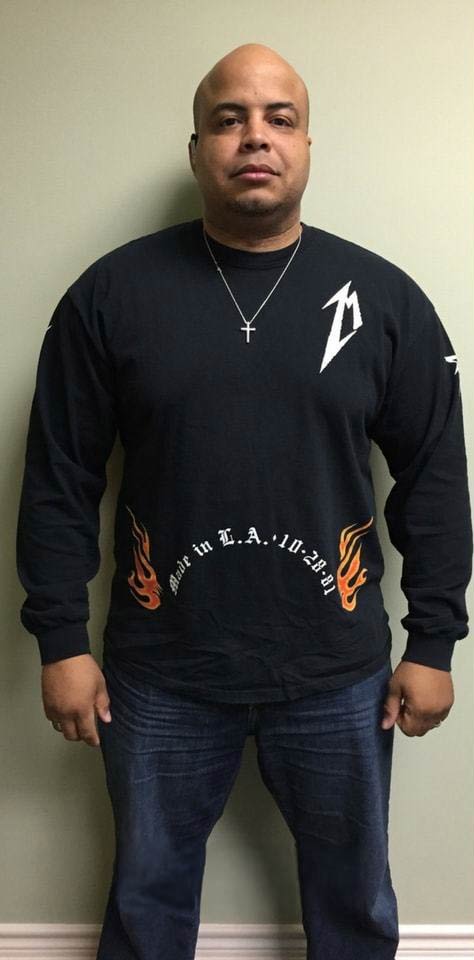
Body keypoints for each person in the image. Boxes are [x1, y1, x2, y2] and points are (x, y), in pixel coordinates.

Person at [16, 42, 472, 960]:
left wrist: (434, 641)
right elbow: (60, 477)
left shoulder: (385, 301)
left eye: (279, 118)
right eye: (229, 119)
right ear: (197, 150)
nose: (254, 137)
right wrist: (60, 641)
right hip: (160, 672)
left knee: (354, 907)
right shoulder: (110, 297)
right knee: (146, 906)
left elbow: (434, 480)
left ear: (306, 146)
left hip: (338, 672)